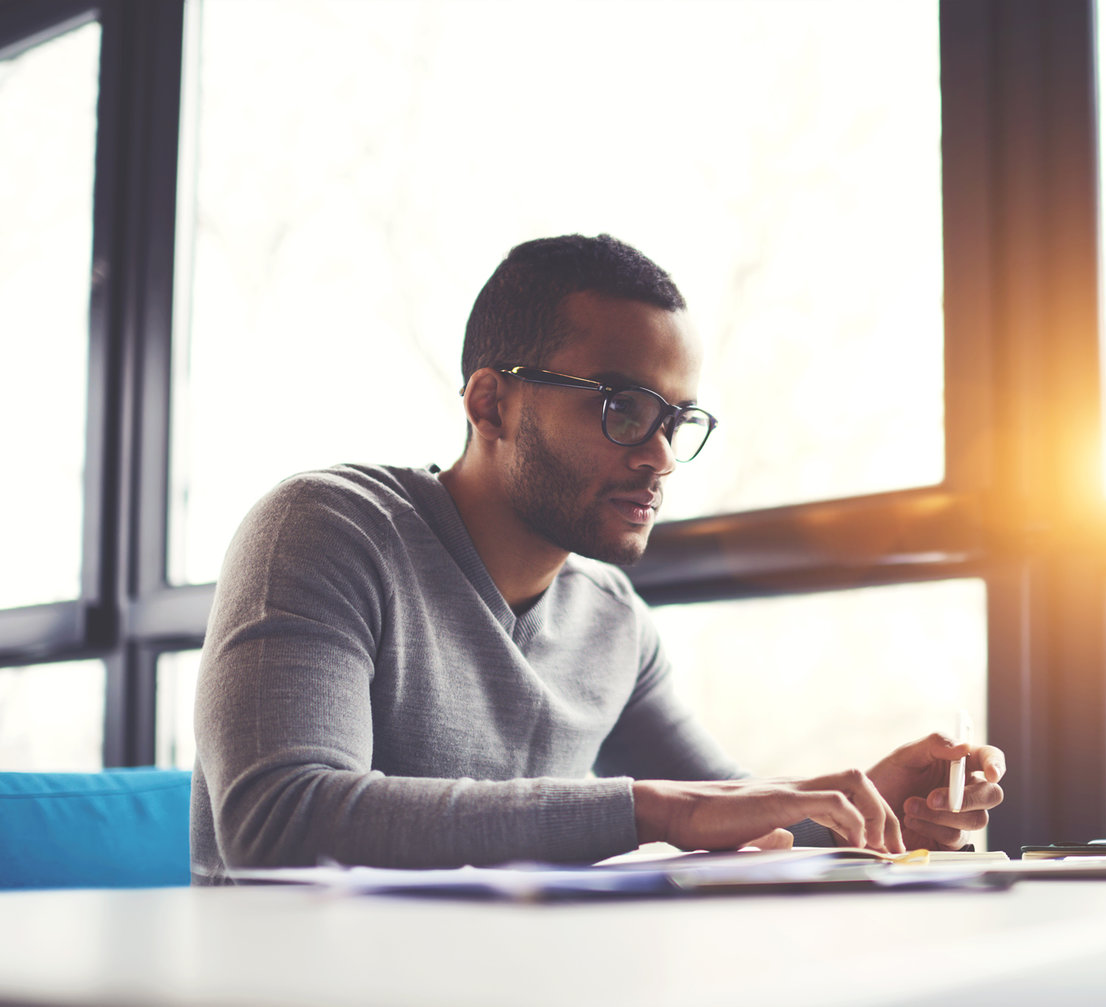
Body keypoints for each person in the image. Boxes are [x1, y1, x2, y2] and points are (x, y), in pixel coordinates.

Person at [190, 234, 1004, 883]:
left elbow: (727, 808)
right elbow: (279, 823)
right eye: (622, 406)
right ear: (491, 402)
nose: (661, 457)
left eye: (677, 420)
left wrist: (863, 800)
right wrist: (646, 811)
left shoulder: (613, 620)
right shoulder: (326, 529)